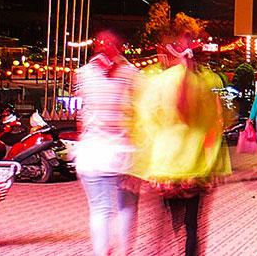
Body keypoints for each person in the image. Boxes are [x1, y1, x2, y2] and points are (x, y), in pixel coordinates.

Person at [132, 34, 230, 256]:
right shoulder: (204, 85)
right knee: (193, 225)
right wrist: (215, 164)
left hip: (165, 167)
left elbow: (145, 122)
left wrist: (144, 162)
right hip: (194, 167)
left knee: (167, 224)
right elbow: (213, 127)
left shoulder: (158, 82)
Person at [73, 30, 140, 256]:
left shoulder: (82, 74)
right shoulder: (131, 74)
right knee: (127, 206)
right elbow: (141, 113)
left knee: (99, 209)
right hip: (122, 153)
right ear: (120, 47)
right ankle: (122, 252)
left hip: (92, 152)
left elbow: (81, 117)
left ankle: (101, 252)